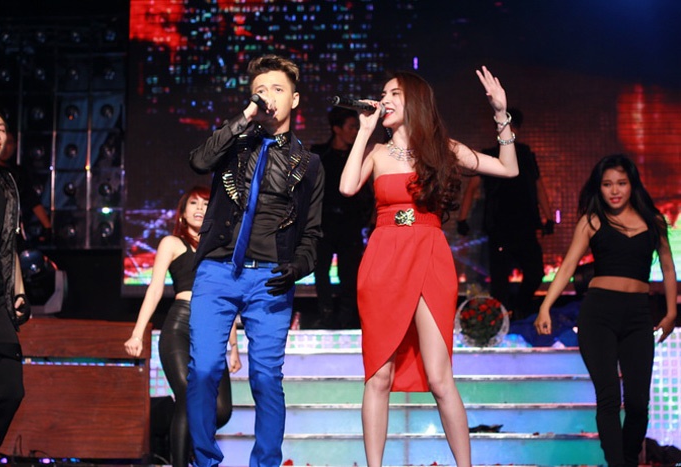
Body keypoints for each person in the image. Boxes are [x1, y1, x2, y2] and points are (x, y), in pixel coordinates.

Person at [339, 67, 518, 467]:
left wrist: (500, 115)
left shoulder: (443, 149)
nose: (384, 100)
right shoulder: (378, 152)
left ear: (416, 101)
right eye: (383, 93)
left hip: (429, 257)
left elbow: (509, 168)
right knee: (379, 374)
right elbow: (347, 187)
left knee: (440, 377)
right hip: (384, 260)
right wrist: (364, 131)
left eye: (394, 93)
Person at [186, 55, 324, 467]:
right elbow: (198, 161)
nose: (268, 97)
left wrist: (297, 268)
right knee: (204, 369)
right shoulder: (234, 144)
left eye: (277, 89)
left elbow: (313, 233)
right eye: (260, 90)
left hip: (270, 278)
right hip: (217, 271)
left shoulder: (309, 164)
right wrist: (244, 117)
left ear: (294, 99)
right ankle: (205, 461)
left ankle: (265, 464)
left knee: (265, 378)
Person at [534, 154, 677, 467]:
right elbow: (568, 266)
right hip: (598, 315)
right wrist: (545, 306)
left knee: (638, 403)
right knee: (609, 397)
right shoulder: (592, 221)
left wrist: (670, 313)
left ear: (632, 184)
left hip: (638, 316)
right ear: (599, 188)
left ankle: (628, 459)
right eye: (607, 184)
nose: (614, 191)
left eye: (621, 183)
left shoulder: (653, 221)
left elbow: (668, 267)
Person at [123, 186, 241, 467]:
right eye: (193, 203)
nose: (199, 208)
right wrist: (137, 334)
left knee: (222, 410)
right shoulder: (172, 243)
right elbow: (155, 289)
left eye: (205, 204)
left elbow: (226, 298)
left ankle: (170, 425)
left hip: (212, 329)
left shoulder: (220, 248)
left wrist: (234, 346)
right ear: (183, 212)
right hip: (180, 326)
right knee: (189, 396)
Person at [456, 108, 554, 320]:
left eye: (513, 127)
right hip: (499, 227)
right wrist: (462, 219)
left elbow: (538, 186)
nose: (510, 131)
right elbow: (472, 188)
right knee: (499, 281)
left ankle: (520, 308)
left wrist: (548, 217)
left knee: (535, 272)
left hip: (525, 225)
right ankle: (502, 320)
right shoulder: (490, 155)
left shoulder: (526, 155)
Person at [0, 106, 31, 464]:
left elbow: (9, 245)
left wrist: (19, 290)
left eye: (1, 128)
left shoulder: (8, 187)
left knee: (10, 390)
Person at [311, 107, 373, 329]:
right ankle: (325, 314)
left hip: (350, 224)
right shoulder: (319, 154)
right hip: (324, 223)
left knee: (350, 272)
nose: (355, 131)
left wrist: (366, 219)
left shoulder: (358, 156)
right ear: (337, 129)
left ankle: (348, 317)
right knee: (321, 270)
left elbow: (367, 192)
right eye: (351, 127)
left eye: (357, 127)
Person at [0, 131, 52, 247]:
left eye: (9, 143)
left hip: (11, 231)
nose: (5, 148)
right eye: (1, 143)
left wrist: (47, 227)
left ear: (15, 145)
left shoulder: (19, 173)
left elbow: (32, 199)